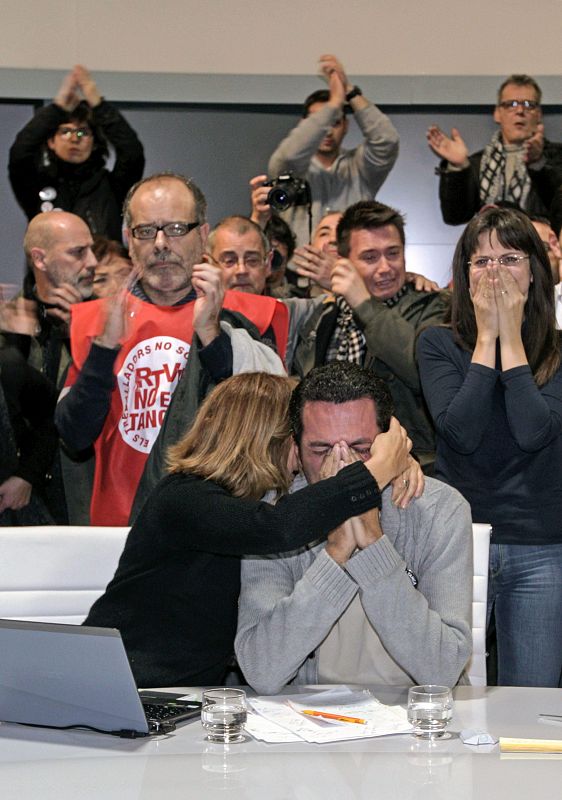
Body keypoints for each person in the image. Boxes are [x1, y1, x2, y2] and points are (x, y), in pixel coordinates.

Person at [84, 371, 413, 688]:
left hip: (180, 694)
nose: (304, 454)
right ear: (268, 441)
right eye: (299, 440)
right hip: (115, 683)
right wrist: (377, 471)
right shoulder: (184, 497)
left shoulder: (241, 500)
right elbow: (279, 528)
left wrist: (401, 466)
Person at [55, 173, 289, 527]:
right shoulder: (95, 321)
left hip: (216, 525)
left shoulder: (250, 315)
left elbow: (267, 425)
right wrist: (104, 348)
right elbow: (73, 436)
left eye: (177, 228)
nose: (161, 243)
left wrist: (212, 334)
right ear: (127, 240)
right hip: (119, 529)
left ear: (203, 235)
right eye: (146, 230)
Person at [235, 363, 472, 694]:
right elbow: (261, 669)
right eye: (321, 450)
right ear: (295, 450)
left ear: (391, 445)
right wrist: (337, 552)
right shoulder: (274, 516)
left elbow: (443, 669)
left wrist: (373, 543)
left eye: (361, 449)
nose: (344, 464)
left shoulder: (439, 509)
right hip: (307, 719)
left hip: (415, 718)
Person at [417, 207, 562, 687]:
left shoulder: (560, 349)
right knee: (447, 695)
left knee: (532, 701)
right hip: (458, 544)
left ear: (535, 271)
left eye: (510, 258)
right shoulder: (437, 343)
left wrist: (512, 339)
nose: (495, 273)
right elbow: (459, 433)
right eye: (481, 262)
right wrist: (487, 339)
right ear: (462, 276)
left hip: (540, 546)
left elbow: (533, 430)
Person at [292, 201, 450, 471]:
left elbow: (422, 374)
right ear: (343, 263)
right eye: (370, 257)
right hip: (329, 466)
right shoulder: (326, 315)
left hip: (412, 467)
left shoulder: (433, 306)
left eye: (393, 253)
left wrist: (364, 304)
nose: (385, 267)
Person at [268, 54, 399, 247]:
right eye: (321, 122)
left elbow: (387, 140)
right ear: (306, 125)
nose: (327, 130)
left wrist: (348, 92)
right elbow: (288, 155)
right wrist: (333, 105)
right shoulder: (290, 169)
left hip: (352, 271)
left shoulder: (360, 167)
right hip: (298, 273)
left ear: (346, 126)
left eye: (335, 121)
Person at [9, 65, 144, 241]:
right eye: (65, 131)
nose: (74, 139)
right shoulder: (36, 184)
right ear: (51, 141)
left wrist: (98, 104)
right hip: (49, 268)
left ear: (94, 143)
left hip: (103, 267)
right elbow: (20, 153)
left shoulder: (111, 186)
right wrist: (58, 108)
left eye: (83, 132)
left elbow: (132, 152)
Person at [427, 75, 562, 226]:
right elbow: (455, 216)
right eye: (511, 104)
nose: (520, 110)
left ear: (539, 114)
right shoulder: (478, 163)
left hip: (542, 246)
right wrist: (458, 168)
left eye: (528, 104)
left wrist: (538, 163)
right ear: (497, 113)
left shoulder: (557, 158)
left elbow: (558, 206)